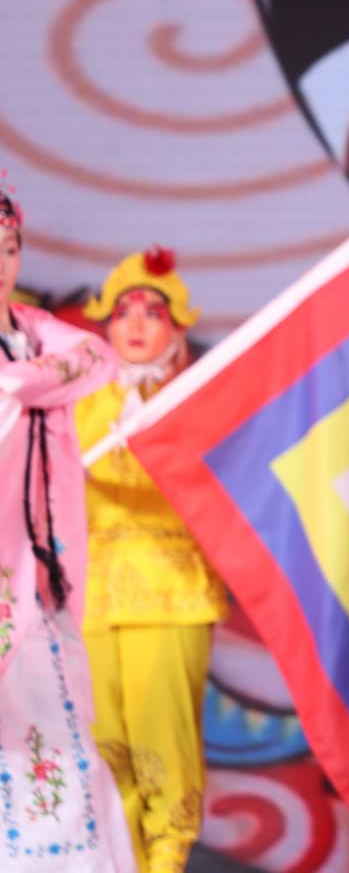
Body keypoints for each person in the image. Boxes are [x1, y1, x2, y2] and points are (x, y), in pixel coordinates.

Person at [0, 182, 139, 871]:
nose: (1, 263)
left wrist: (19, 382)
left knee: (56, 738)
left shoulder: (33, 335)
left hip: (40, 567)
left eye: (9, 248)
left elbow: (94, 358)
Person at [73, 248, 225, 873]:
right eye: (123, 312)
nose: (135, 324)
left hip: (171, 594)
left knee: (162, 745)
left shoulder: (200, 404)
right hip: (91, 600)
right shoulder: (80, 402)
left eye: (152, 313)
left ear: (178, 326)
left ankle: (164, 864)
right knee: (103, 750)